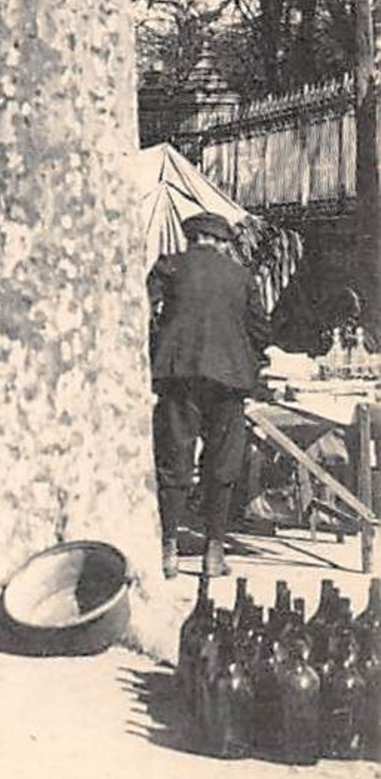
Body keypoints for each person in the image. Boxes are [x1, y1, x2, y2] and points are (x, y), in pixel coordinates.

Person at [148, 212, 271, 578]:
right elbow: (260, 330)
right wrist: (245, 358)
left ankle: (167, 550)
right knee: (222, 466)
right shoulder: (241, 276)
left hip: (179, 375)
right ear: (220, 241)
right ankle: (213, 553)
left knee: (174, 462)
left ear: (193, 238)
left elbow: (141, 309)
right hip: (228, 380)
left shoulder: (170, 265)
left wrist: (162, 344)